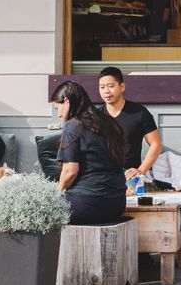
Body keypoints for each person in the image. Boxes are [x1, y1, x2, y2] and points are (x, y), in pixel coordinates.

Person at [47, 80, 130, 225]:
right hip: (116, 203)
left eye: (57, 108)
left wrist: (56, 195)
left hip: (87, 203)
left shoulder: (73, 125)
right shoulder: (108, 122)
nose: (59, 114)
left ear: (66, 101)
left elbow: (70, 171)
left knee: (36, 211)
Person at [96, 66, 162, 183]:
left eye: (111, 86)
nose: (106, 91)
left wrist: (141, 170)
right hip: (102, 176)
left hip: (129, 176)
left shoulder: (139, 112)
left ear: (122, 87)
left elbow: (156, 144)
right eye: (102, 87)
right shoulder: (96, 115)